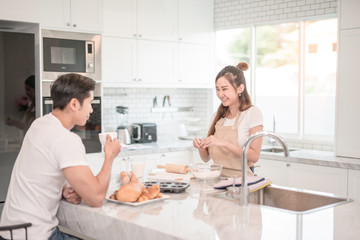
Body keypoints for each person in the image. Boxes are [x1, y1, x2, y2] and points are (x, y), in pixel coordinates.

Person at [0, 73, 121, 240]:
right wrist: (110, 155)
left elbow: (43, 168)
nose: (91, 110)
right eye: (90, 103)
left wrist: (64, 188)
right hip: (32, 235)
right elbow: (96, 198)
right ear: (74, 104)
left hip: (10, 231)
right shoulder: (66, 139)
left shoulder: (39, 124)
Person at [193, 62, 263, 177]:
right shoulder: (217, 116)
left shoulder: (252, 113)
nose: (220, 94)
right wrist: (201, 147)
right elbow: (206, 158)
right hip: (217, 180)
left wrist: (223, 143)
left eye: (224, 89)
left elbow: (254, 156)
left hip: (242, 181)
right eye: (217, 89)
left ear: (240, 88)